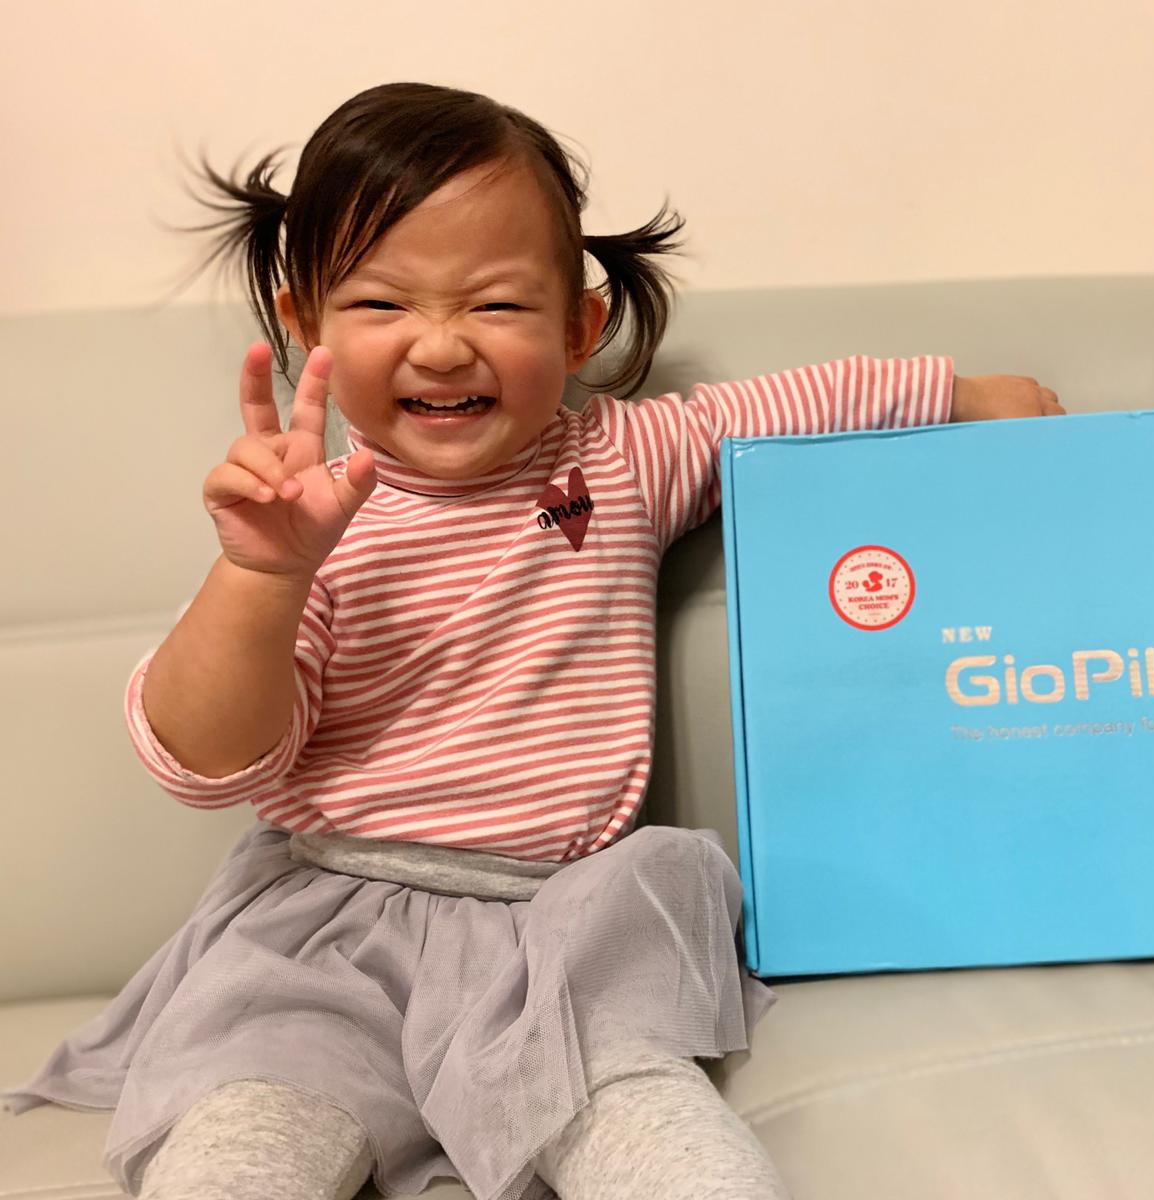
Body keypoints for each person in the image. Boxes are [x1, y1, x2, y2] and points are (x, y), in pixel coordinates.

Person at [0, 81, 1063, 1200]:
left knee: (678, 1156)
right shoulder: (303, 520)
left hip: (568, 934)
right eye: (381, 303)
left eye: (498, 304)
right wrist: (262, 574)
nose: (441, 345)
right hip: (328, 937)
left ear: (578, 327)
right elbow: (204, 759)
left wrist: (958, 391)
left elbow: (787, 405)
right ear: (306, 321)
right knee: (236, 1155)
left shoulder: (622, 459)